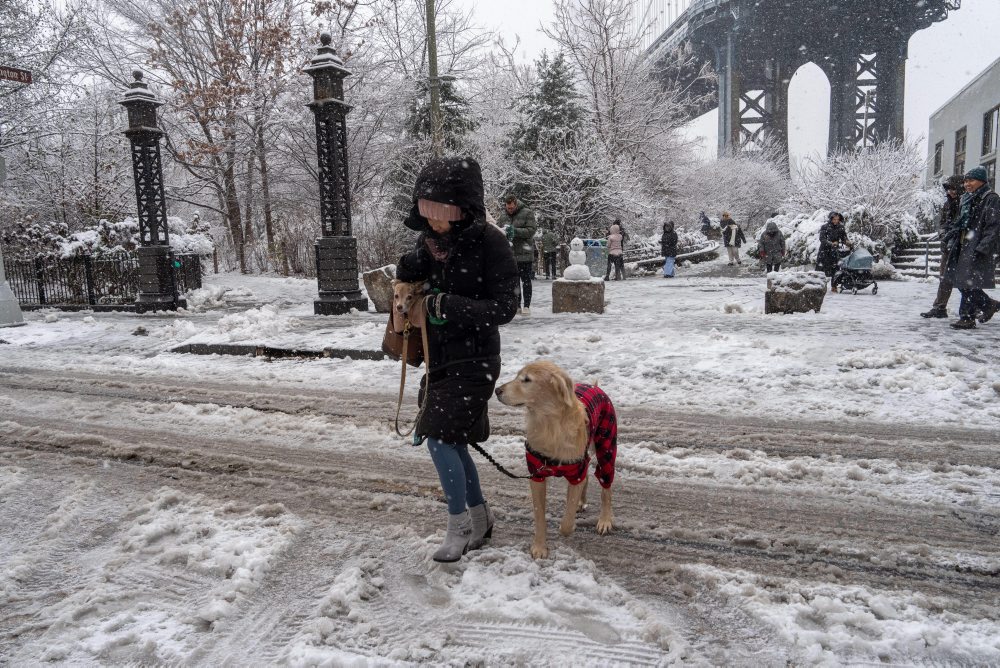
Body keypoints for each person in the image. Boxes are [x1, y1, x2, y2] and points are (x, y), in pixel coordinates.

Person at [396, 157, 519, 562]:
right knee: (451, 440)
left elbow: (504, 307)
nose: (435, 224)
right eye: (427, 214)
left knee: (437, 437)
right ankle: (480, 519)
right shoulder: (427, 242)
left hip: (478, 359)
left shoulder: (492, 242)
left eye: (443, 215)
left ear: (463, 210)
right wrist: (408, 271)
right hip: (439, 358)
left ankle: (459, 525)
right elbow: (414, 278)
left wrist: (447, 305)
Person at [944, 166, 1000, 329]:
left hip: (977, 247)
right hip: (964, 244)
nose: (967, 184)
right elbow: (960, 221)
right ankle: (987, 305)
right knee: (962, 281)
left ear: (982, 181)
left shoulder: (991, 198)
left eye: (971, 180)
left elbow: (994, 226)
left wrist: (983, 248)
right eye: (966, 181)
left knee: (967, 282)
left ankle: (969, 316)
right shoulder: (968, 198)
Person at [921, 175, 964, 318]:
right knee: (945, 277)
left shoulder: (965, 203)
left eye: (953, 189)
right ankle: (939, 307)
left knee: (963, 279)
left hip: (962, 246)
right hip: (948, 245)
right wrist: (943, 235)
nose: (950, 192)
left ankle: (979, 304)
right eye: (948, 189)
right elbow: (942, 223)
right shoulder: (947, 204)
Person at [502, 195, 537, 315]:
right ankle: (517, 305)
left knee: (526, 280)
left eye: (511, 208)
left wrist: (515, 231)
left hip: (524, 253)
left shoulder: (527, 213)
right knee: (514, 282)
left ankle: (527, 305)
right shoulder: (503, 216)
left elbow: (531, 230)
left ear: (516, 204)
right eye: (508, 208)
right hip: (510, 254)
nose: (509, 210)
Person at [816, 211, 851, 292]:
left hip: (835, 252)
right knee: (820, 269)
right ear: (831, 219)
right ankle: (817, 286)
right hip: (824, 251)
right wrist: (831, 243)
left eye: (837, 219)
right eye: (834, 219)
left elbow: (844, 238)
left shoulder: (841, 227)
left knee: (835, 269)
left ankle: (834, 286)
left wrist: (847, 242)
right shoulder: (825, 227)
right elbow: (822, 239)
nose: (836, 221)